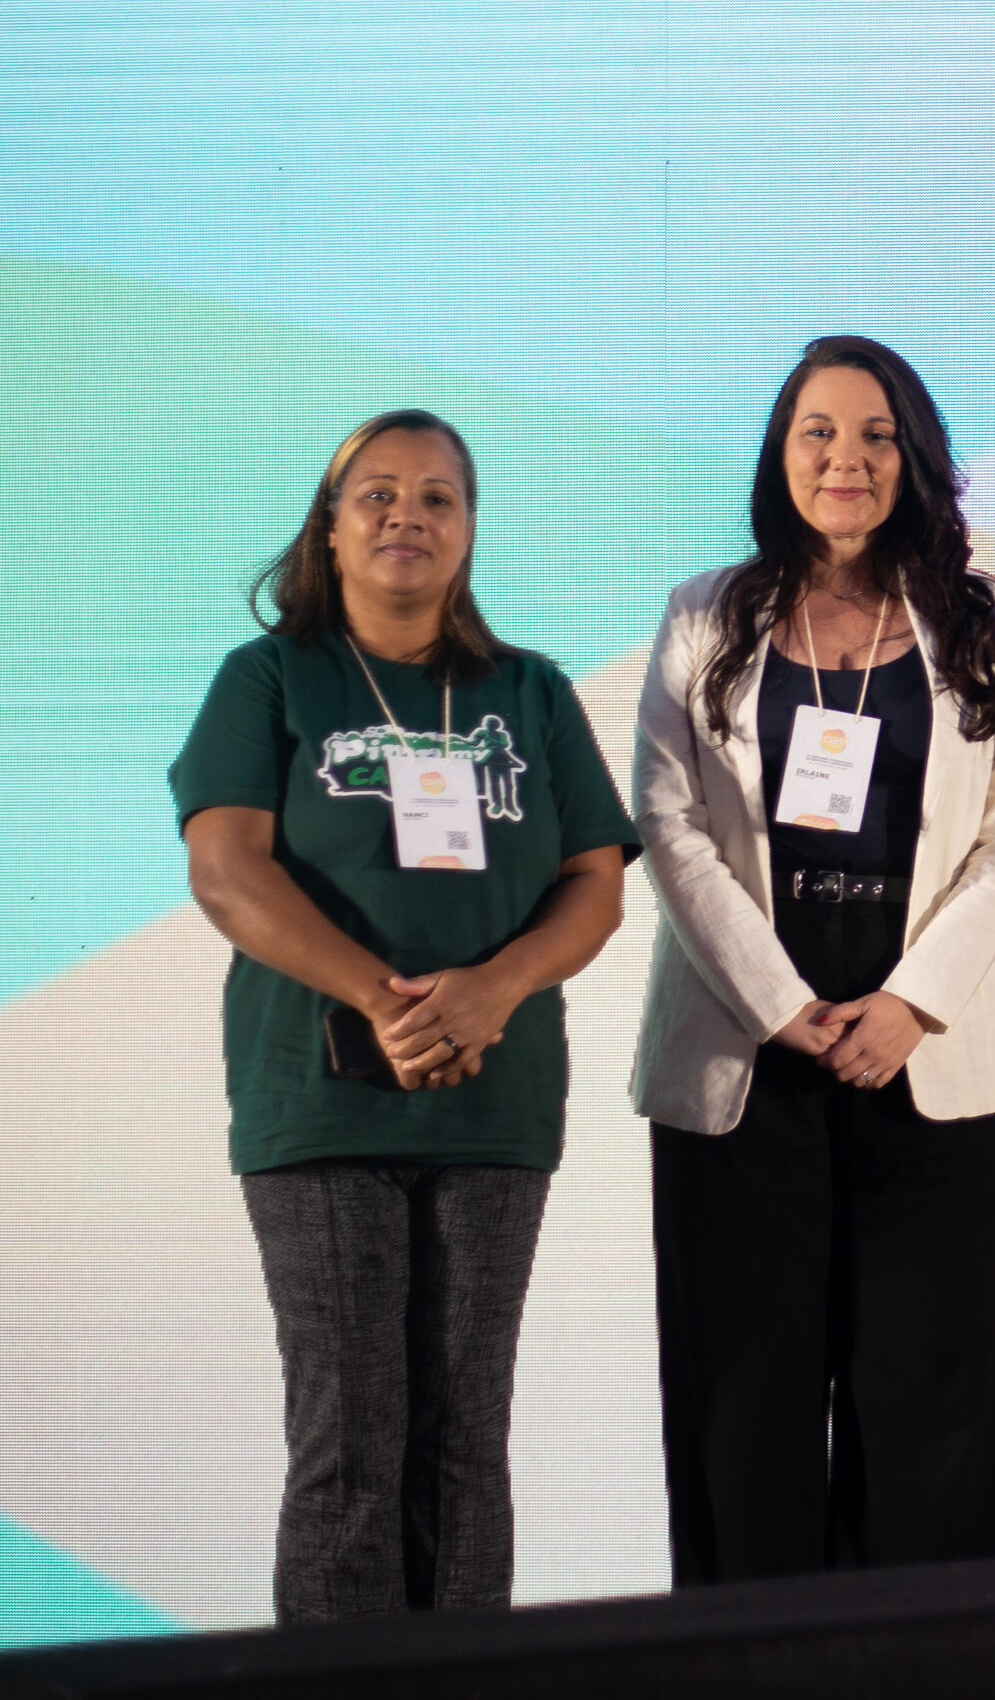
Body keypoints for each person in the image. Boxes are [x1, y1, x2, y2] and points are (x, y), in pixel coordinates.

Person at [173, 409, 639, 1623]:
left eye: (437, 496)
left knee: (465, 1441)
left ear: (469, 528)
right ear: (328, 528)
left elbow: (595, 884)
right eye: (376, 494)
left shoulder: (530, 692)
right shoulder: (269, 678)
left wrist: (495, 988)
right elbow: (226, 870)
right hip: (319, 1096)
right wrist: (383, 1000)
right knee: (350, 1442)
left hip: (497, 1100)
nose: (406, 516)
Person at [630, 335, 995, 1583]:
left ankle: (919, 1666)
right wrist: (779, 1004)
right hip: (745, 1066)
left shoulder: (981, 614)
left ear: (912, 456)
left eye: (874, 435)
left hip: (926, 1066)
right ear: (780, 452)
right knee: (740, 1415)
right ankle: (747, 1664)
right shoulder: (703, 613)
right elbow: (667, 819)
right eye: (817, 432)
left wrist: (913, 1003)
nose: (844, 459)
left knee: (930, 1423)